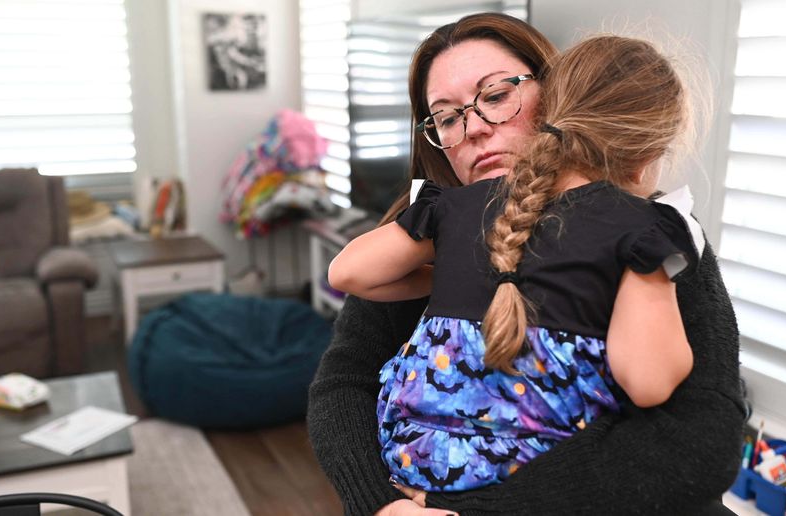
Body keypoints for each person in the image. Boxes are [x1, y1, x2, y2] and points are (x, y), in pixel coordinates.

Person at [308, 12, 745, 516]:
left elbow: (701, 436)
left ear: (558, 95)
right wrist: (382, 506)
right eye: (447, 117)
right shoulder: (427, 231)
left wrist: (483, 510)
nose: (472, 128)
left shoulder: (651, 237)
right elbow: (343, 384)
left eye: (495, 95)